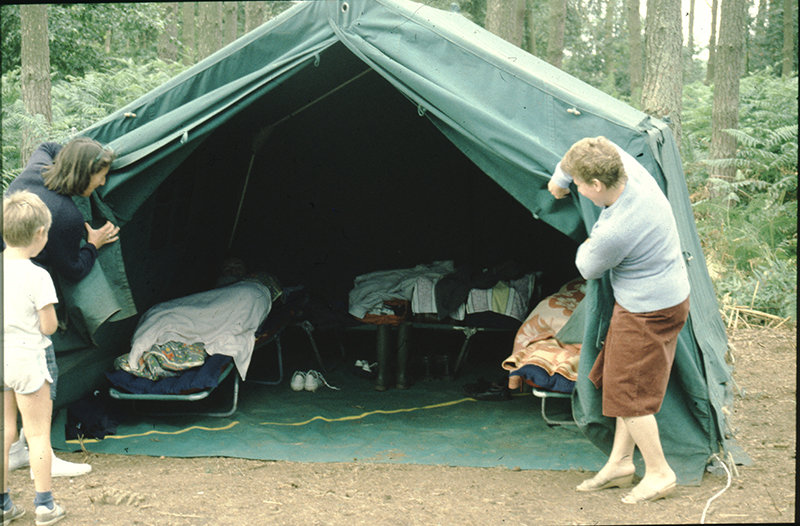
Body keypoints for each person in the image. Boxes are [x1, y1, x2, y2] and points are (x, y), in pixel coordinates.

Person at [548, 136, 690, 504]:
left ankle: (660, 473)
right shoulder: (628, 170)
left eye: (580, 185)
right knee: (620, 380)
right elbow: (584, 143)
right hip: (653, 298)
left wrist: (587, 239)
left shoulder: (617, 228)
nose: (577, 190)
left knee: (628, 393)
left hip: (650, 310)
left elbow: (587, 265)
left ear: (596, 186)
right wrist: (560, 179)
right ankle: (621, 463)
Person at [4, 137, 119, 478]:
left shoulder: (38, 165)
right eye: (100, 175)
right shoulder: (65, 216)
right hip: (25, 298)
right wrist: (93, 244)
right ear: (83, 173)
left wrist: (92, 151)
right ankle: (43, 455)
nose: (102, 182)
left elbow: (48, 143)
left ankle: (15, 452)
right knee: (43, 373)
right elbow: (73, 270)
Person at [2, 191, 67, 525]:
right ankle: (45, 505)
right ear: (40, 234)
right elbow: (48, 326)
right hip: (28, 359)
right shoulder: (38, 275)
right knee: (38, 433)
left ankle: (3, 505)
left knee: (3, 430)